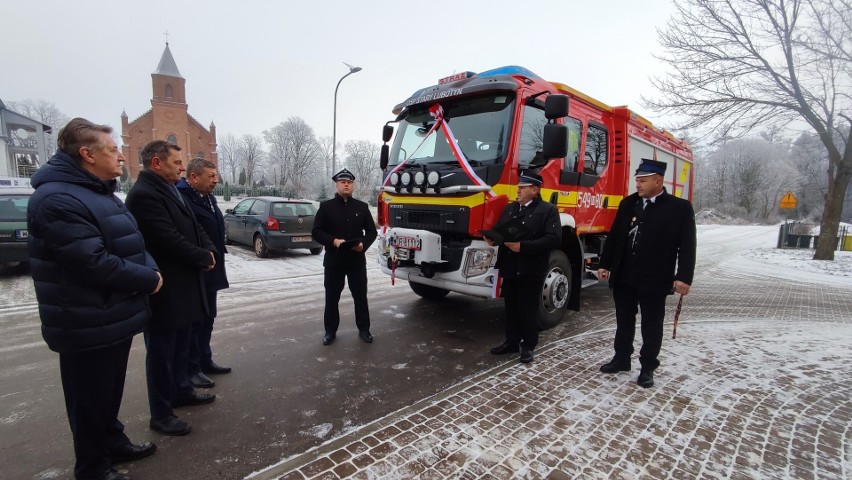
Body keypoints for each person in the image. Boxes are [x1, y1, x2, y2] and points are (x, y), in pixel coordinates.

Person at [27, 118, 162, 480]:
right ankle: (92, 466)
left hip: (110, 313)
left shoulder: (98, 191)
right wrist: (149, 278)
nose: (121, 156)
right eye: (112, 150)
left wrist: (147, 268)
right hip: (84, 319)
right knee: (89, 399)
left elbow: (133, 242)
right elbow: (91, 261)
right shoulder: (57, 199)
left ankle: (112, 441)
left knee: (107, 391)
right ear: (87, 154)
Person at [125, 140, 217, 436]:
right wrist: (201, 256)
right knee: (162, 354)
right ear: (157, 163)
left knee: (180, 348)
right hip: (165, 289)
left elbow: (194, 227)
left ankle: (181, 391)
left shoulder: (169, 189)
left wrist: (209, 248)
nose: (182, 166)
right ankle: (161, 414)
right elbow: (166, 238)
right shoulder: (143, 195)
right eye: (177, 162)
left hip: (186, 286)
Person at [597, 158, 696, 388]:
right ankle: (621, 358)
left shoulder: (679, 208)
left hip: (655, 278)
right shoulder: (628, 204)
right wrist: (605, 264)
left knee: (651, 324)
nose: (638, 185)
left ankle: (648, 367)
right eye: (637, 181)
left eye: (643, 181)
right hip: (624, 275)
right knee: (624, 321)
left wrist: (683, 277)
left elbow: (687, 245)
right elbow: (614, 237)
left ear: (658, 181)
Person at [485, 171, 561, 364]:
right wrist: (492, 238)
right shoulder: (510, 209)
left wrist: (523, 247)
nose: (518, 190)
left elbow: (553, 239)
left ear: (535, 190)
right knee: (511, 308)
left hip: (531, 268)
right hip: (510, 266)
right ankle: (511, 342)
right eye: (519, 186)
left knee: (527, 309)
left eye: (523, 187)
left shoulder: (547, 210)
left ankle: (528, 346)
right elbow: (499, 230)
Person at [177, 157, 231, 389]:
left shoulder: (206, 197)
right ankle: (192, 368)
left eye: (215, 176)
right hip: (196, 271)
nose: (215, 181)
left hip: (212, 268)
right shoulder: (183, 198)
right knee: (196, 322)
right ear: (193, 177)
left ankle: (204, 360)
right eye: (211, 177)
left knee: (208, 318)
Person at [312, 168, 378, 345]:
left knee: (360, 296)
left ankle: (364, 329)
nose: (346, 184)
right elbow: (316, 232)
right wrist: (333, 241)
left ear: (353, 185)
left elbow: (372, 232)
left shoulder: (362, 207)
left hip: (356, 261)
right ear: (337, 185)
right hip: (334, 261)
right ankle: (330, 331)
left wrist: (363, 244)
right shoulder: (326, 207)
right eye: (343, 182)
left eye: (349, 182)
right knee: (332, 298)